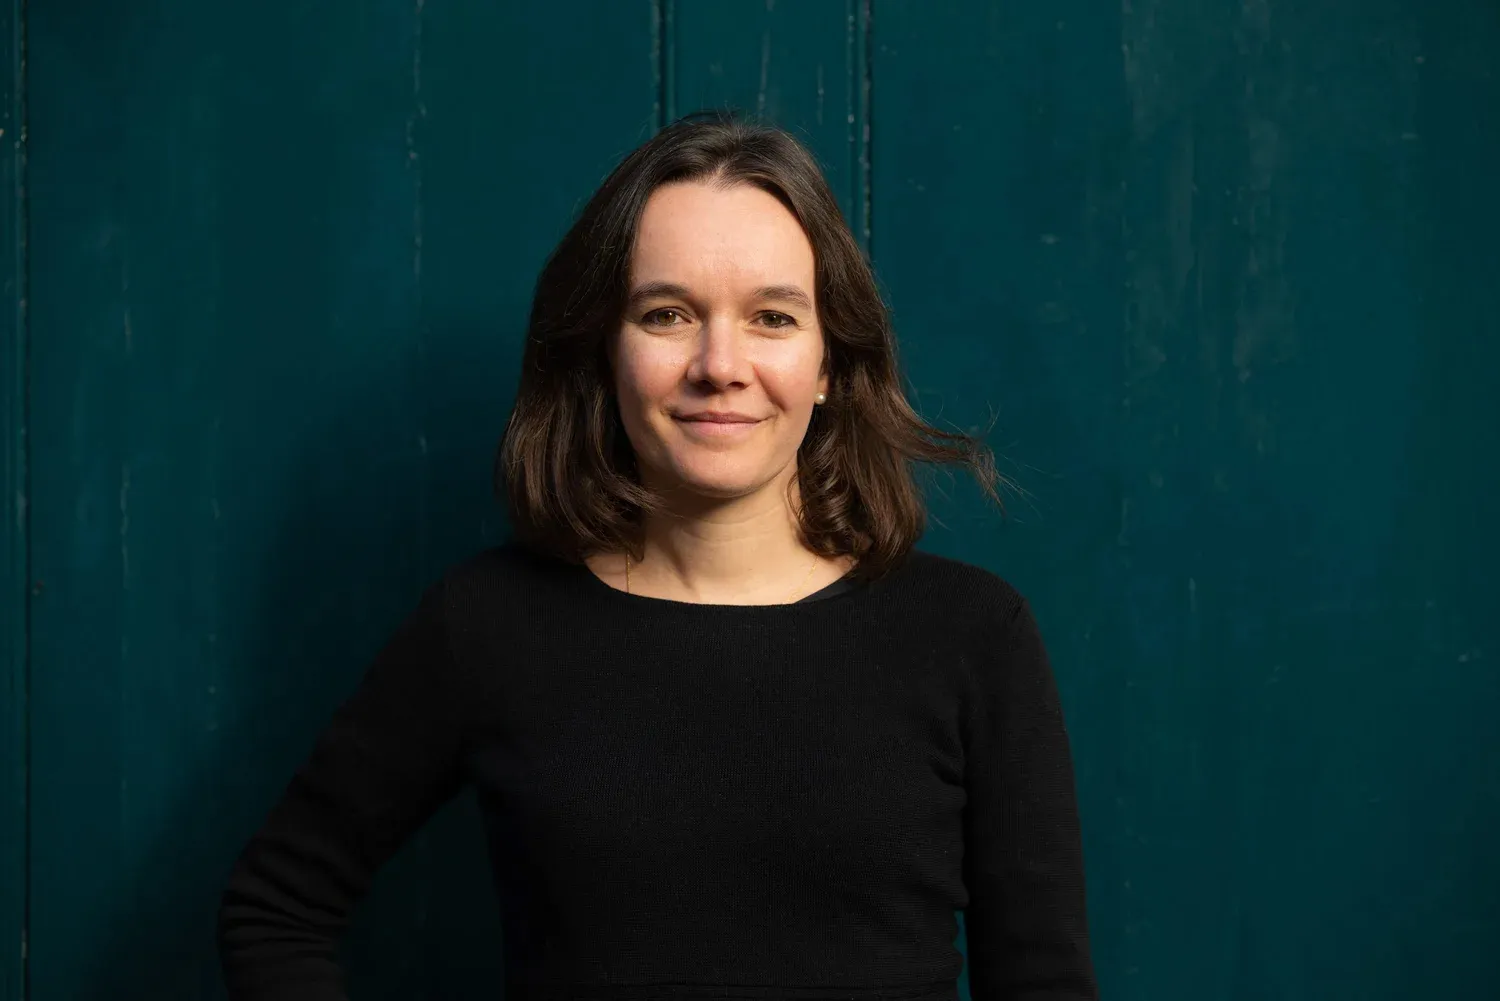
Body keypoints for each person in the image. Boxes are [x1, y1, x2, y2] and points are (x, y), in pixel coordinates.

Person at [217, 111, 1097, 1001]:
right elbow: (277, 907)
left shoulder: (970, 634)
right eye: (667, 314)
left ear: (830, 361)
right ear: (605, 352)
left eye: (773, 317)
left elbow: (1044, 983)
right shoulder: (490, 624)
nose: (721, 364)